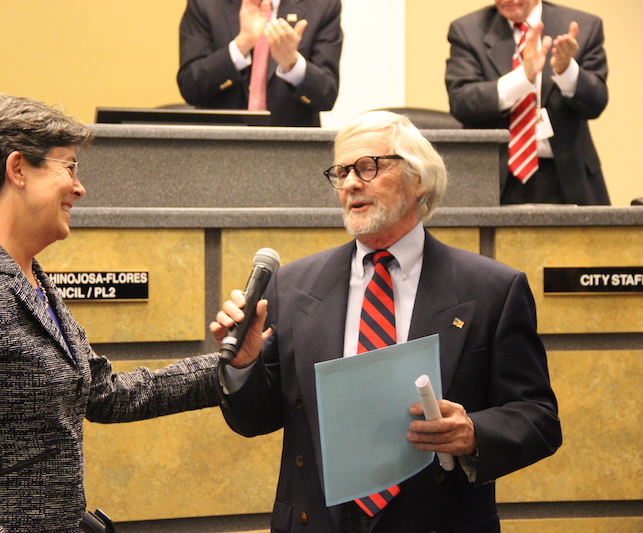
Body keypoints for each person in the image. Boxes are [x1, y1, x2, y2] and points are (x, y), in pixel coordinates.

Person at [211, 110, 562, 532]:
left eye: (368, 167)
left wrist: (473, 432)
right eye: (341, 172)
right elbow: (254, 420)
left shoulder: (491, 290)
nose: (351, 183)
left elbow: (538, 417)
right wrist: (245, 364)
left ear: (419, 180)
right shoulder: (294, 286)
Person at [0, 94, 220, 533]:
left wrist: (230, 364)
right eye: (69, 167)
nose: (79, 188)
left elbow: (105, 394)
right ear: (18, 169)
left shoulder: (31, 281)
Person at [445, 0, 610, 205]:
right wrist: (524, 79)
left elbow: (596, 104)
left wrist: (566, 70)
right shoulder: (467, 30)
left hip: (567, 179)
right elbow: (461, 101)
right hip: (494, 179)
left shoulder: (583, 26)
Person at [177, 0, 342, 127]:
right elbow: (190, 87)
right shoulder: (206, 4)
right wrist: (241, 45)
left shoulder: (323, 5)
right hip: (217, 150)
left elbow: (326, 96)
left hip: (291, 152)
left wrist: (292, 63)